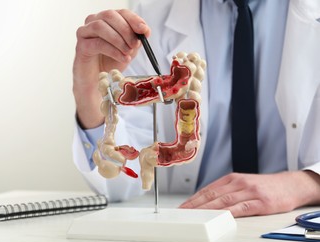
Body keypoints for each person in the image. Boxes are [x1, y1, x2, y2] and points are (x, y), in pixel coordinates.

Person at [72, 0, 320, 217]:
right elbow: (122, 181)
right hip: (189, 224)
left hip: (293, 223)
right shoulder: (145, 26)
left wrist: (308, 182)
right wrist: (89, 95)